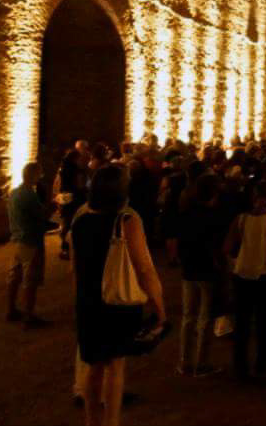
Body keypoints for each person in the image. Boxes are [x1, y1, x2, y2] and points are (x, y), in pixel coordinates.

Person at [72, 165, 167, 426]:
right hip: (117, 302)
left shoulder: (80, 221)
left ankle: (92, 421)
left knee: (93, 366)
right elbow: (144, 267)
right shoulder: (127, 221)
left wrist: (81, 301)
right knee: (115, 365)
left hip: (89, 301)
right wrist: (159, 306)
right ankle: (111, 421)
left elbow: (76, 269)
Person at [223, 181, 266, 380]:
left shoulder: (240, 220)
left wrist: (235, 262)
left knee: (242, 322)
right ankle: (262, 364)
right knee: (264, 322)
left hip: (243, 274)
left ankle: (241, 366)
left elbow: (227, 247)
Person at [176, 173, 223, 376]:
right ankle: (201, 363)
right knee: (205, 318)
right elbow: (215, 246)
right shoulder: (212, 216)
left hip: (189, 269)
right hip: (206, 270)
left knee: (188, 317)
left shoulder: (185, 213)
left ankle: (184, 362)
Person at [7, 162, 52, 327]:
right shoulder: (29, 195)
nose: (40, 177)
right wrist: (54, 204)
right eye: (39, 174)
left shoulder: (14, 193)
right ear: (33, 176)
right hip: (31, 241)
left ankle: (11, 310)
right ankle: (29, 317)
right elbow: (42, 215)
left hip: (16, 239)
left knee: (14, 277)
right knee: (30, 280)